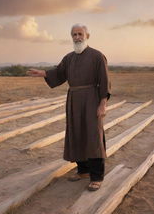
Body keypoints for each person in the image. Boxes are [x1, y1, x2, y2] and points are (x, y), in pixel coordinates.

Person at [27, 24, 111, 191]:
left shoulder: (97, 56)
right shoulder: (69, 58)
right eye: (74, 34)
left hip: (92, 98)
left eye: (80, 34)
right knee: (76, 133)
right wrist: (43, 73)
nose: (77, 37)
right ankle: (83, 170)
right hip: (74, 99)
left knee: (94, 135)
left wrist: (102, 104)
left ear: (87, 36)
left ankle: (97, 176)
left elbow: (104, 81)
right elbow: (59, 73)